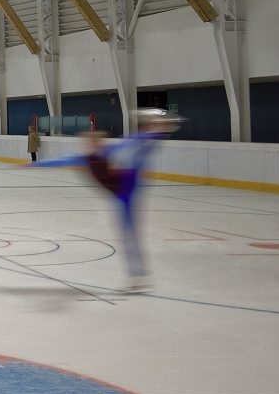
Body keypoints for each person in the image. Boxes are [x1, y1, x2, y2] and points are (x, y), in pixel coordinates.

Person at [33, 110, 182, 291]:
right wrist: (33, 164)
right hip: (122, 192)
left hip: (127, 183)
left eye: (94, 142)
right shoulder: (83, 159)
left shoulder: (107, 151)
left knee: (138, 148)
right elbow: (59, 162)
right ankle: (137, 275)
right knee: (128, 235)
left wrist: (151, 133)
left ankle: (138, 275)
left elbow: (130, 143)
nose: (91, 145)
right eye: (88, 142)